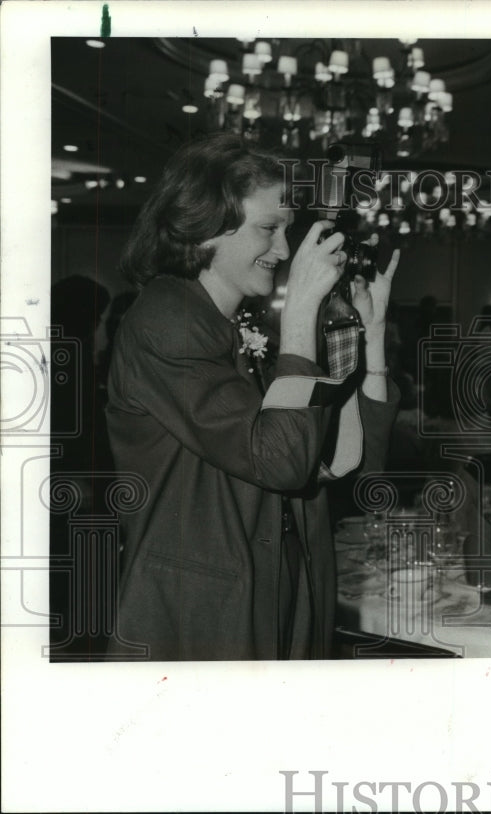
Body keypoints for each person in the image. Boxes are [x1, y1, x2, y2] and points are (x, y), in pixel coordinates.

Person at [105, 134, 400, 660]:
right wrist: (302, 315)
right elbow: (280, 461)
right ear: (203, 228)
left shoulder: (242, 323)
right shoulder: (165, 318)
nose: (285, 250)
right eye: (269, 229)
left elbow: (354, 470)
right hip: (203, 608)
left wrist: (372, 340)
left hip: (279, 582)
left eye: (287, 230)